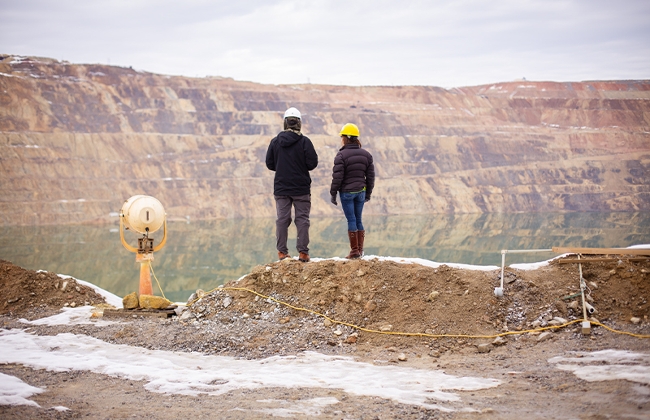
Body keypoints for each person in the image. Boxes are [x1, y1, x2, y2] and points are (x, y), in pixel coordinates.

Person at [265, 107, 319, 262]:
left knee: (282, 218)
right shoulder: (305, 142)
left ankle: (282, 252)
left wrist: (282, 167)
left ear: (285, 122)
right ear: (299, 123)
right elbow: (312, 163)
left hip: (281, 187)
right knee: (302, 219)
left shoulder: (275, 142)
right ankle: (303, 253)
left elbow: (270, 164)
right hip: (301, 187)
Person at [330, 123, 375, 259]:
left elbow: (337, 177)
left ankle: (354, 251)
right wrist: (368, 193)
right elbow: (371, 176)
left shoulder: (341, 155)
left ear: (346, 138)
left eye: (342, 136)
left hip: (347, 193)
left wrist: (333, 193)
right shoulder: (366, 155)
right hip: (361, 191)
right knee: (358, 219)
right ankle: (360, 251)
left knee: (351, 220)